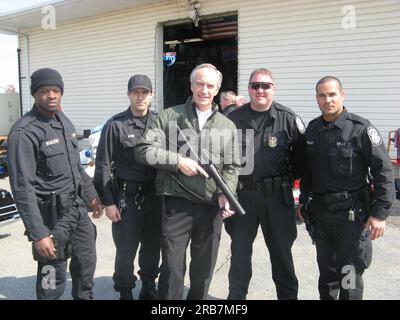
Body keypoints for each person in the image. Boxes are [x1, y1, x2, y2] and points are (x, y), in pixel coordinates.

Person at [135, 63, 240, 300]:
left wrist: (226, 194)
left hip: (211, 205)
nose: (204, 90)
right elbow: (143, 150)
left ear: (217, 90)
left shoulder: (228, 126)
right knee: (172, 268)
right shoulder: (169, 116)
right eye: (199, 84)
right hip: (176, 204)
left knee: (203, 271)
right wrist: (177, 161)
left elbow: (232, 167)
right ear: (191, 85)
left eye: (210, 85)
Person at [8, 68, 103, 300]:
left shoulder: (63, 121)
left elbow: (77, 168)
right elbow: (22, 188)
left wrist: (92, 197)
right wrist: (38, 233)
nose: (51, 95)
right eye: (44, 91)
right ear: (34, 94)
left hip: (77, 210)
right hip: (50, 217)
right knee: (52, 276)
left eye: (56, 90)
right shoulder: (25, 132)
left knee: (85, 264)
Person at [297, 76, 395, 300]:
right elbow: (308, 173)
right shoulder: (312, 130)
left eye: (332, 94)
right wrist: (303, 199)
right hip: (321, 216)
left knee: (349, 276)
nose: (327, 100)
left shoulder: (360, 129)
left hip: (351, 217)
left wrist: (380, 215)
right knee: (327, 276)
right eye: (322, 95)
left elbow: (384, 172)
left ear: (342, 95)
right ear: (316, 98)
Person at [225, 68, 306, 300]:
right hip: (243, 197)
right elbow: (221, 159)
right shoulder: (233, 119)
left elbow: (302, 161)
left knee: (281, 254)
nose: (260, 90)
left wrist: (299, 193)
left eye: (266, 85)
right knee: (239, 254)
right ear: (248, 89)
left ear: (274, 88)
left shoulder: (288, 118)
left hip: (277, 198)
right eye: (255, 85)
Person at [94, 75, 161, 300]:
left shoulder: (161, 123)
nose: (140, 97)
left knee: (153, 247)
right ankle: (124, 290)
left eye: (145, 92)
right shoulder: (115, 125)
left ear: (151, 95)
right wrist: (109, 202)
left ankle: (149, 284)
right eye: (136, 92)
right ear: (129, 95)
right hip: (127, 199)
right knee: (125, 250)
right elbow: (103, 165)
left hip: (156, 197)